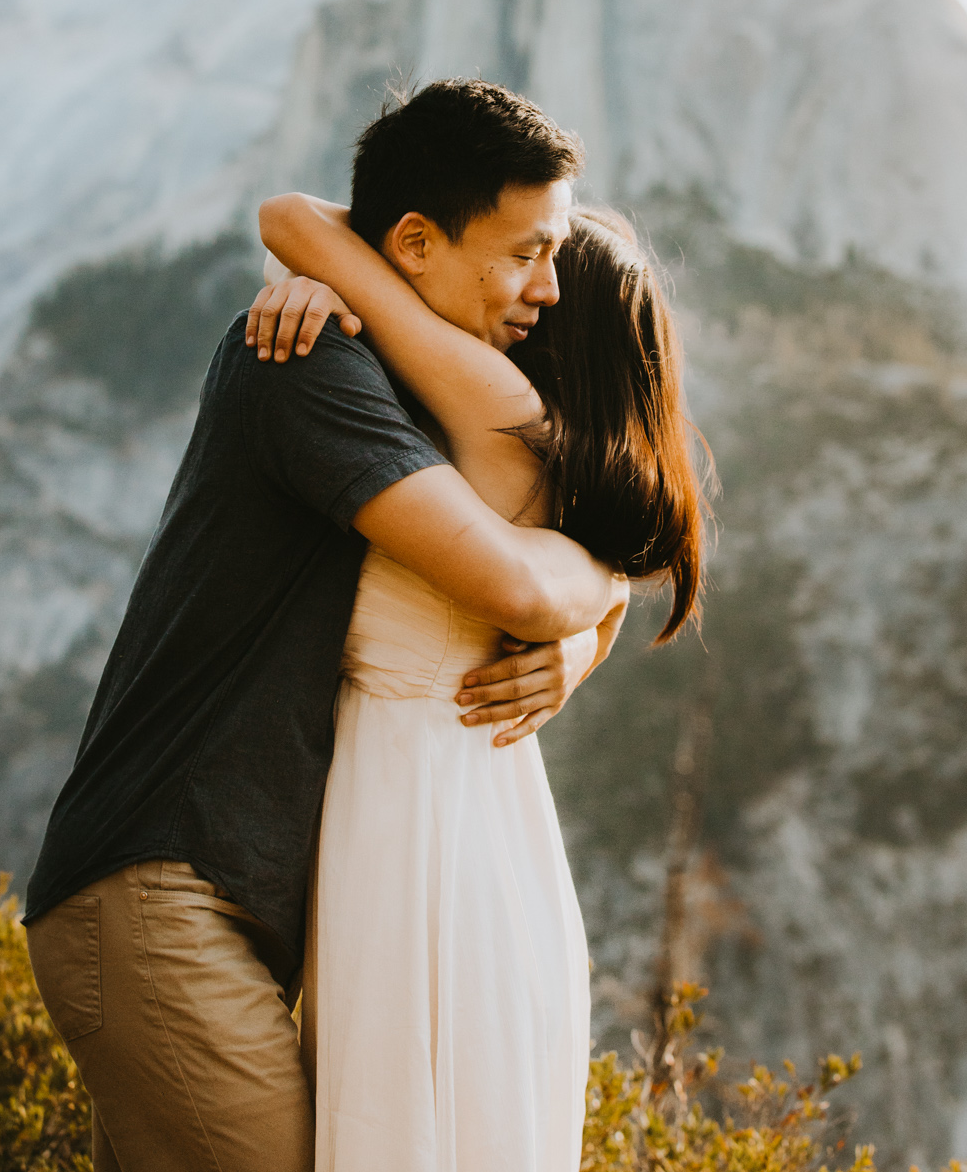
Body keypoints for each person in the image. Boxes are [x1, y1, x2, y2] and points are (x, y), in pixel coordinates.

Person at [24, 81, 628, 1172]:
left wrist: (593, 629)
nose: (548, 286)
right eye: (524, 252)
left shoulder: (391, 364)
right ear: (412, 241)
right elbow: (518, 585)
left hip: (218, 902)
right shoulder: (311, 360)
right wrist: (601, 587)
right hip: (165, 889)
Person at [253, 106, 709, 1170]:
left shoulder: (500, 411)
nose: (529, 290)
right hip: (488, 818)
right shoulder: (538, 460)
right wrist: (597, 617)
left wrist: (334, 277)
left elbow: (292, 216)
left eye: (548, 275)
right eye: (523, 260)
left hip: (416, 817)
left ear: (559, 342)